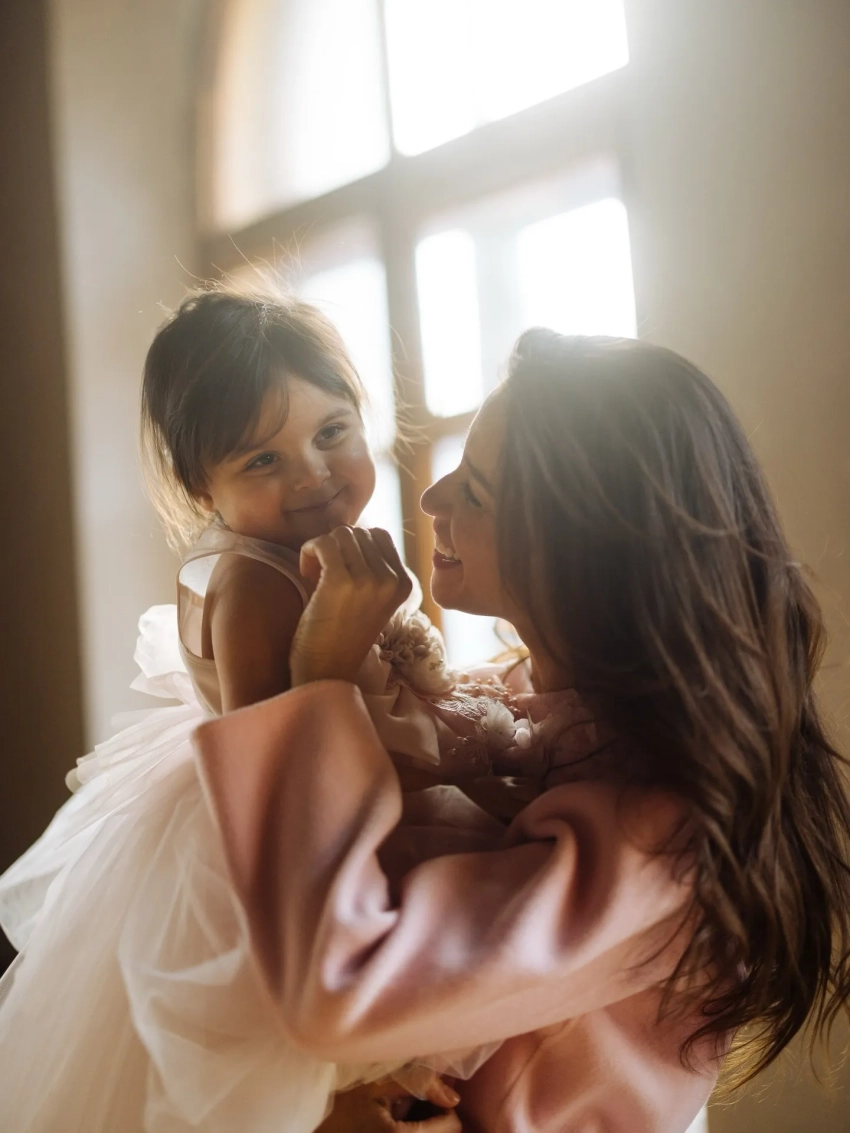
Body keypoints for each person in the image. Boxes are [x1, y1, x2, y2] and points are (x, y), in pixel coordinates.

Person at [196, 330, 850, 1132]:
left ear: (583, 549)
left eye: (475, 490)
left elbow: (340, 990)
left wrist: (322, 677)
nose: (432, 500)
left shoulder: (662, 832)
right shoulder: (498, 703)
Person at [0, 288, 500, 1132]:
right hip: (279, 846)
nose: (312, 475)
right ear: (202, 485)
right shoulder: (255, 585)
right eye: (262, 460)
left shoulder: (300, 551)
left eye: (332, 432)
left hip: (341, 805)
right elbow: (276, 773)